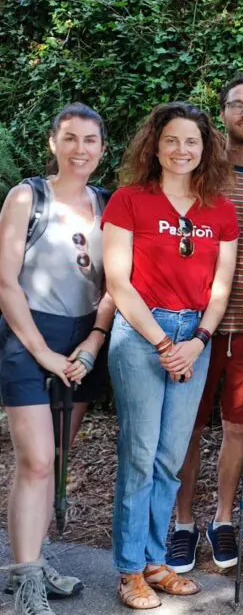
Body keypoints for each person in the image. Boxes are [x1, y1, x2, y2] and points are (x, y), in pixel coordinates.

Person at [102, 102, 238, 610]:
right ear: (154, 146)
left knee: (168, 459)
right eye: (172, 141)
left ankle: (156, 562)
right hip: (141, 335)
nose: (182, 150)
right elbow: (118, 282)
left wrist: (197, 340)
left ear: (206, 149)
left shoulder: (219, 209)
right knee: (139, 455)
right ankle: (129, 569)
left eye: (192, 142)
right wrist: (163, 342)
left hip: (194, 338)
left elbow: (221, 288)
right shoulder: (129, 201)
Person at [0, 104, 115, 615]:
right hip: (29, 337)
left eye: (90, 141)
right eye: (70, 139)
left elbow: (115, 286)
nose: (80, 150)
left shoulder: (108, 205)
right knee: (37, 460)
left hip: (82, 341)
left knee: (58, 459)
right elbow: (6, 283)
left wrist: (92, 343)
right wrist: (43, 351)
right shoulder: (28, 196)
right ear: (53, 143)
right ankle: (24, 577)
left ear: (103, 149)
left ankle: (34, 558)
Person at [170, 74, 243, 573]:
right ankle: (181, 523)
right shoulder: (199, 178)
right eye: (237, 105)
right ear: (222, 113)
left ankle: (221, 519)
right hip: (191, 326)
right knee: (185, 429)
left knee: (236, 428)